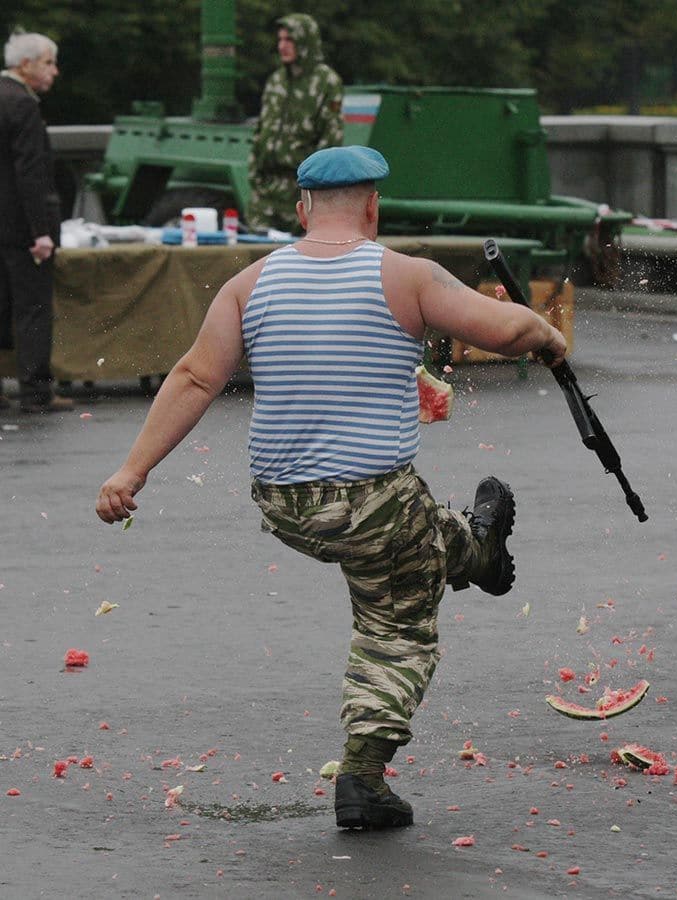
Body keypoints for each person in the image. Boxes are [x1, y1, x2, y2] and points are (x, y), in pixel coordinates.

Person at [96, 145, 566, 830]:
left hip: (284, 503)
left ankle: (475, 549)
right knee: (395, 622)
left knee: (407, 537)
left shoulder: (248, 284)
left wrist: (129, 472)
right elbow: (507, 330)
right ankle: (363, 780)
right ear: (373, 207)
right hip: (373, 496)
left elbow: (196, 378)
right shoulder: (405, 275)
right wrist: (547, 335)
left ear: (300, 210)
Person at [0, 30, 72, 413]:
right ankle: (35, 390)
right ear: (26, 65)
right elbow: (30, 174)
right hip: (23, 229)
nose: (54, 71)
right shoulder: (23, 106)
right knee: (32, 308)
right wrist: (40, 231)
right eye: (49, 62)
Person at [247, 13, 343, 234]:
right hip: (266, 193)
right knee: (257, 258)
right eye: (280, 40)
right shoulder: (276, 80)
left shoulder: (326, 82)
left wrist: (312, 188)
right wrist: (254, 172)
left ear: (305, 42)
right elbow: (261, 130)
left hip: (299, 193)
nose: (282, 46)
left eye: (289, 40)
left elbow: (331, 140)